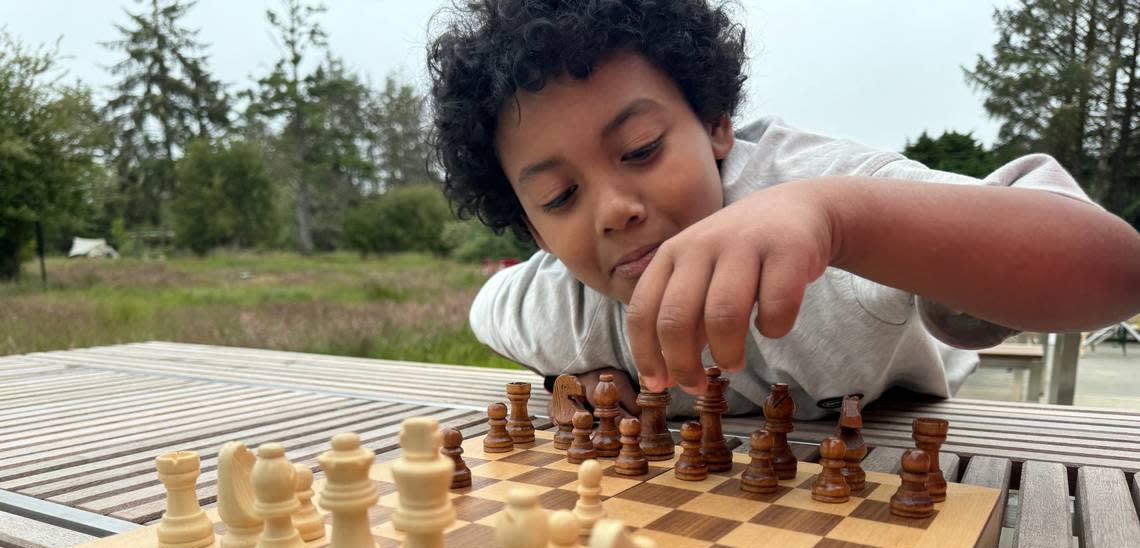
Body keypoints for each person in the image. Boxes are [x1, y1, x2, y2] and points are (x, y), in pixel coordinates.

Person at [428, 0, 1140, 420]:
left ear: (714, 123)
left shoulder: (821, 195)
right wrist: (567, 378)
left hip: (922, 441)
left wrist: (838, 220)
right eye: (559, 198)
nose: (612, 209)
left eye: (641, 149)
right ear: (533, 230)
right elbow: (490, 310)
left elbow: (1114, 267)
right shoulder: (565, 300)